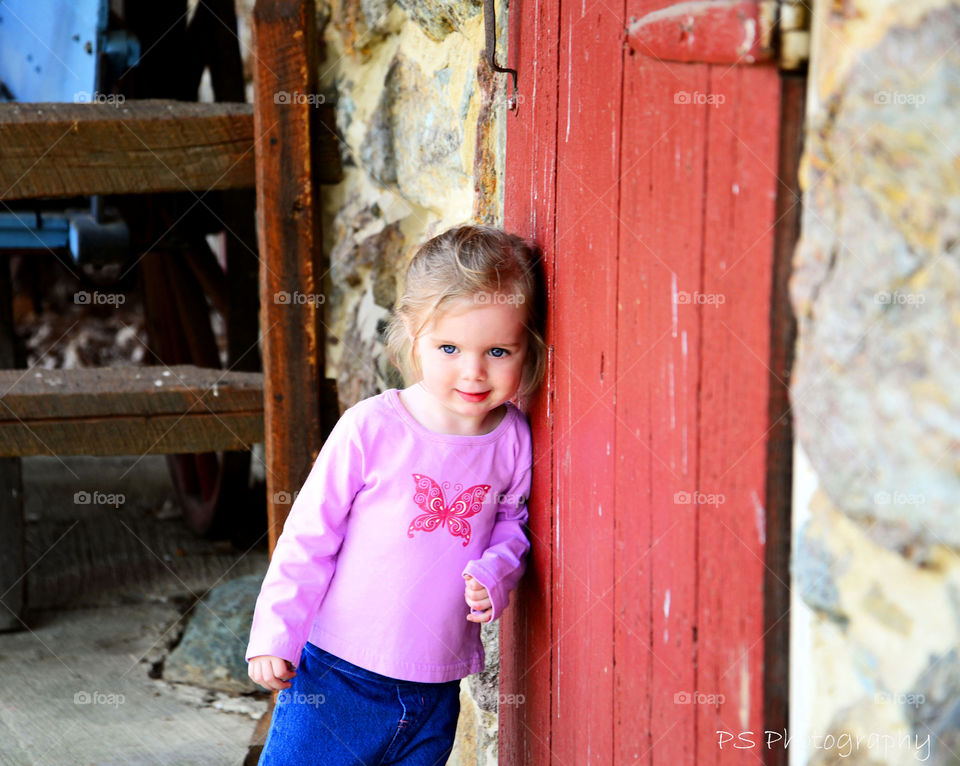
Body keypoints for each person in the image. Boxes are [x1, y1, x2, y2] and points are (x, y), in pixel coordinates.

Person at [246, 223, 547, 765]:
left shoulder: (512, 439)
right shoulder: (373, 428)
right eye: (449, 347)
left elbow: (511, 525)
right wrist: (274, 633)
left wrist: (497, 572)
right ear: (412, 336)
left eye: (499, 350)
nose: (474, 371)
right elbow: (309, 536)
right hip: (337, 678)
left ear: (528, 347)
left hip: (435, 687)